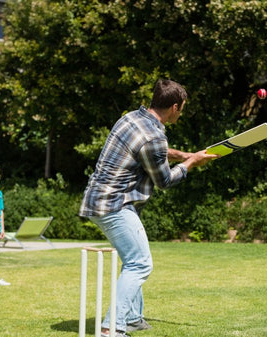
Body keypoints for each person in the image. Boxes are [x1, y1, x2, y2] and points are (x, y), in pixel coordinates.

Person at [79, 79, 218, 337]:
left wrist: (187, 155)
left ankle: (131, 318)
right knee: (140, 263)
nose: (182, 112)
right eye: (183, 108)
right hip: (115, 204)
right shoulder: (154, 136)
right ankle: (113, 327)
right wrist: (191, 165)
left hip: (99, 199)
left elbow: (157, 150)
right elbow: (164, 180)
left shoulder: (131, 118)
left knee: (132, 260)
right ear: (175, 107)